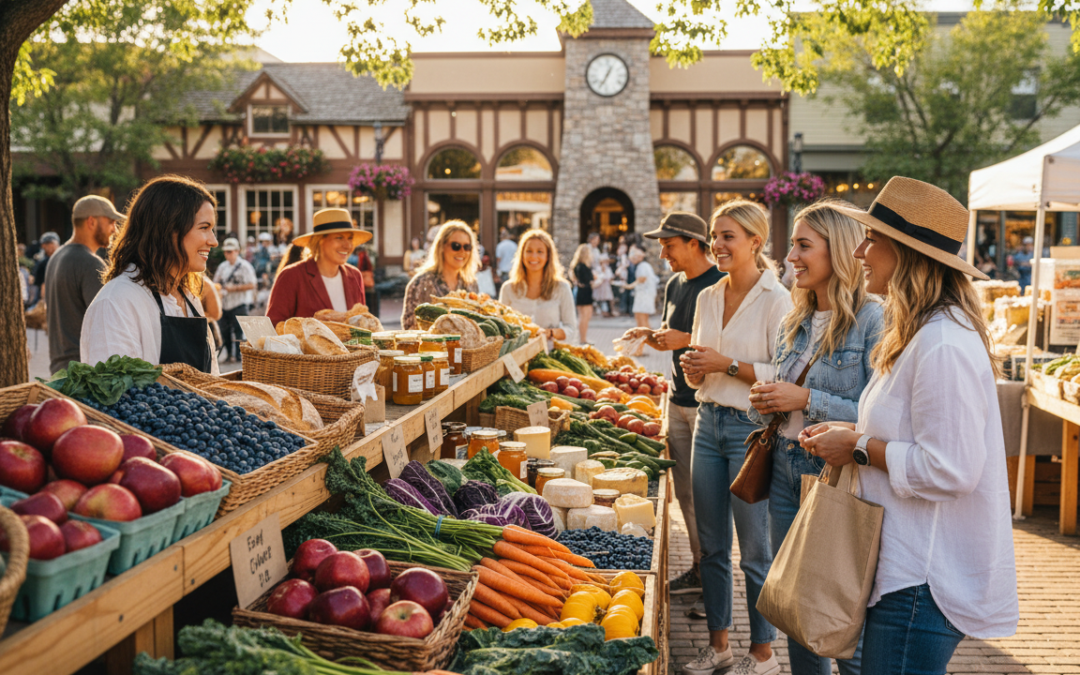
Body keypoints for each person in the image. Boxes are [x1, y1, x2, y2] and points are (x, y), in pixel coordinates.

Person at [799, 177, 1018, 673]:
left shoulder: (942, 344)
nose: (860, 251)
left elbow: (952, 470)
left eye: (873, 239)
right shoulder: (922, 333)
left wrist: (858, 448)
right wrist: (851, 437)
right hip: (904, 568)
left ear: (906, 253)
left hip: (923, 579)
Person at [746, 201, 883, 675]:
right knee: (798, 611)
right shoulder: (796, 316)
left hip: (834, 475)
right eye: (792, 246)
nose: (792, 257)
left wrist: (804, 396)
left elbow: (877, 414)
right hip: (785, 468)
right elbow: (785, 399)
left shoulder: (872, 318)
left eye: (805, 246)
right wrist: (765, 399)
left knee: (843, 614)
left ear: (838, 251)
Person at [679, 199, 792, 675]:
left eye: (728, 236)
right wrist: (692, 368)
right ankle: (719, 645)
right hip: (708, 422)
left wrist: (722, 363)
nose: (718, 245)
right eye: (715, 236)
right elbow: (699, 377)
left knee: (756, 552)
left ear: (754, 242)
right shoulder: (707, 296)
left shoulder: (777, 298)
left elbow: (781, 373)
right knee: (711, 547)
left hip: (751, 432)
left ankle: (763, 652)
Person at [625, 212, 724, 601]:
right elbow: (674, 335)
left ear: (693, 242)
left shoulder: (719, 284)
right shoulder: (672, 284)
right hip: (675, 400)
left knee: (709, 497)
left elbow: (725, 348)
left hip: (706, 404)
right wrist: (650, 336)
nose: (662, 251)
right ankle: (700, 570)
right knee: (685, 494)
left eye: (669, 243)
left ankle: (715, 581)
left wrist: (684, 338)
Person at [81, 175, 220, 374]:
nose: (213, 241)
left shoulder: (190, 299)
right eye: (204, 228)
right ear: (167, 229)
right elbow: (114, 397)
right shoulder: (116, 302)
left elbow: (213, 382)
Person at [45, 195, 123, 374]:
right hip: (83, 374)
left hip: (59, 370)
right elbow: (107, 326)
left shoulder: (56, 256)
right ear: (91, 221)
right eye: (111, 222)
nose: (115, 229)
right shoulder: (89, 263)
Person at [266, 208, 369, 326]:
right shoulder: (291, 276)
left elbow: (361, 329)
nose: (347, 245)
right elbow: (272, 327)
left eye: (350, 238)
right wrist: (310, 327)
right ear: (320, 240)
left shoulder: (355, 276)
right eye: (339, 238)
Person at [499, 229, 577, 345]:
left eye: (540, 251)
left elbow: (571, 329)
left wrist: (550, 333)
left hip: (550, 356)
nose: (534, 256)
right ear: (522, 254)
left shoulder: (562, 288)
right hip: (517, 356)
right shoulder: (508, 288)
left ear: (548, 256)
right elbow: (500, 326)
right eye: (529, 251)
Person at [402, 220, 480, 330]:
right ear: (442, 246)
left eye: (467, 247)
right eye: (456, 246)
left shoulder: (471, 284)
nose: (462, 251)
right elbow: (409, 328)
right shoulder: (420, 283)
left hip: (466, 347)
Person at [213, 238, 257, 363]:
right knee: (225, 331)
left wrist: (234, 288)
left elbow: (252, 284)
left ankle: (238, 356)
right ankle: (228, 354)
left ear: (237, 251)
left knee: (239, 332)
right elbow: (216, 283)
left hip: (239, 303)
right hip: (225, 303)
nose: (228, 254)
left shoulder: (245, 266)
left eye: (230, 251)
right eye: (226, 252)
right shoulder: (222, 267)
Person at [569, 244, 600, 344]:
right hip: (584, 293)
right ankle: (582, 339)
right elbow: (589, 280)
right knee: (584, 317)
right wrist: (595, 278)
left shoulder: (577, 266)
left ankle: (582, 338)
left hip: (582, 292)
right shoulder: (583, 267)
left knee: (583, 316)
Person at [627, 246, 659, 328]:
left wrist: (630, 286)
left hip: (645, 295)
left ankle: (649, 339)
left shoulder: (643, 265)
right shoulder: (642, 265)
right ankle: (643, 339)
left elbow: (642, 278)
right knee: (639, 317)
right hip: (643, 295)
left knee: (643, 319)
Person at [30, 232, 60, 299]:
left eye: (45, 246)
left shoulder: (61, 258)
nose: (43, 248)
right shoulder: (43, 262)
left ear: (52, 244)